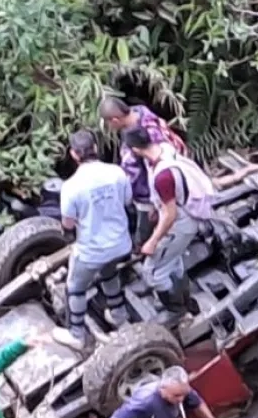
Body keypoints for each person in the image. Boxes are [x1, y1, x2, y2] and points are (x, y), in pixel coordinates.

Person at [121, 125, 223, 327]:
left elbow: (170, 215)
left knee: (153, 272)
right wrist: (156, 208)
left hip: (179, 222)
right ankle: (186, 303)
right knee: (174, 263)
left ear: (135, 149)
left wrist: (153, 241)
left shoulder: (163, 176)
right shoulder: (165, 150)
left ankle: (176, 311)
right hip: (184, 211)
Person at [53, 129, 134, 351]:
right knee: (109, 272)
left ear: (73, 154)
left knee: (75, 287)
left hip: (92, 251)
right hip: (121, 244)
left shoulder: (70, 186)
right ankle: (118, 315)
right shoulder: (117, 172)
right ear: (96, 148)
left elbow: (68, 223)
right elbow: (127, 201)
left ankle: (76, 334)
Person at [99, 96, 189, 246]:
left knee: (145, 228)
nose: (109, 127)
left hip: (149, 194)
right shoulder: (137, 113)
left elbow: (157, 167)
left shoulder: (152, 134)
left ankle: (145, 246)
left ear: (115, 120)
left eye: (108, 123)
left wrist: (155, 202)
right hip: (140, 190)